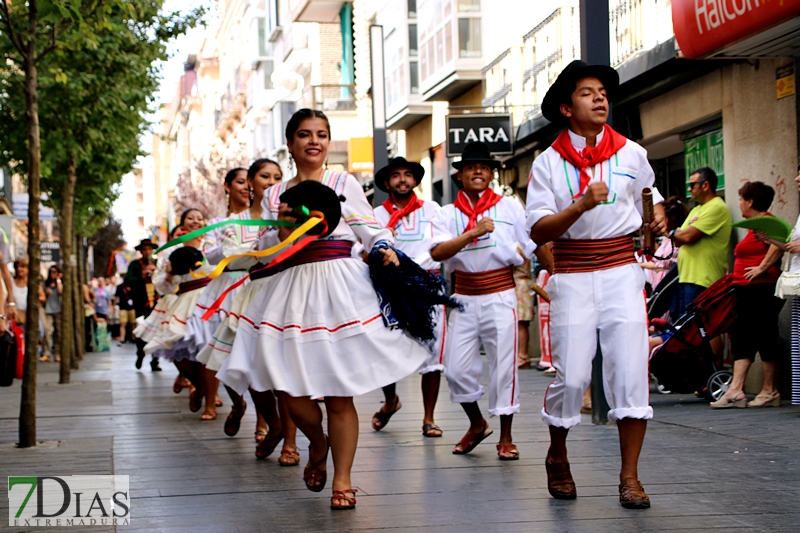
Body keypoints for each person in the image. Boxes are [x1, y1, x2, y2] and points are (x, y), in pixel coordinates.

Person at [216, 108, 429, 510]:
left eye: (321, 134)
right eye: (304, 134)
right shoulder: (276, 195)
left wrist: (383, 249)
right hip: (290, 291)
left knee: (338, 393)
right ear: (290, 143)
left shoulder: (342, 180)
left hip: (340, 288)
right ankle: (317, 442)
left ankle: (343, 480)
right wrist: (276, 228)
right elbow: (265, 250)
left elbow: (370, 228)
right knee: (291, 390)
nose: (314, 141)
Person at [527, 60, 666, 508]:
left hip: (622, 271)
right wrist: (581, 205)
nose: (600, 97)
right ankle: (558, 454)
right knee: (571, 379)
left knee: (630, 373)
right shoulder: (547, 163)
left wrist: (657, 218)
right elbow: (539, 230)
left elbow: (652, 201)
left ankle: (629, 477)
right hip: (571, 274)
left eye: (603, 91)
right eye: (588, 93)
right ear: (567, 108)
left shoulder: (632, 153)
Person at [429, 141, 541, 461]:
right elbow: (437, 253)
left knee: (505, 366)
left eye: (484, 167)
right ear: (460, 176)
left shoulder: (509, 207)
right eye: (470, 167)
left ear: (491, 174)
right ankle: (477, 423)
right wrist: (472, 233)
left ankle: (505, 437)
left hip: (499, 293)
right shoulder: (446, 213)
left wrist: (553, 269)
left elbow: (531, 244)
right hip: (463, 295)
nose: (478, 171)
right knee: (455, 369)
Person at [197, 158, 298, 461]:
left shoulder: (288, 216)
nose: (270, 181)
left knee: (284, 371)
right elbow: (210, 258)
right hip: (239, 299)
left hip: (281, 295)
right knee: (246, 368)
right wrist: (226, 249)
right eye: (264, 176)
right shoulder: (227, 224)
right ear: (249, 182)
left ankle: (289, 443)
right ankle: (270, 422)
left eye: (277, 176)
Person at [371, 157, 446, 438]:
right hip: (390, 288)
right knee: (384, 348)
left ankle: (429, 418)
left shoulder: (432, 209)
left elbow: (442, 243)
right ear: (387, 182)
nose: (402, 180)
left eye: (407, 175)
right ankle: (391, 400)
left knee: (433, 352)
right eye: (396, 175)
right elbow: (363, 248)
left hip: (427, 285)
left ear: (415, 180)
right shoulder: (377, 215)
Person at [711, 182, 784, 408]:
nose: (739, 203)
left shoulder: (767, 222)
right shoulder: (754, 227)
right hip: (746, 289)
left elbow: (780, 244)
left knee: (765, 336)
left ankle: (769, 390)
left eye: (741, 199)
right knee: (743, 336)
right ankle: (736, 389)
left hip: (761, 289)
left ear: (750, 201)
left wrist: (761, 268)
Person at [672, 167, 732, 316]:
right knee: (690, 329)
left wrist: (676, 232)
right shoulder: (696, 209)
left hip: (703, 279)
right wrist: (678, 234)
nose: (689, 189)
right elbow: (678, 241)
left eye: (692, 185)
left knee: (699, 328)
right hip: (687, 276)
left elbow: (686, 237)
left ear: (705, 185)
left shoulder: (716, 207)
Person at [126, 238, 161, 371]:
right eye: (144, 249)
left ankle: (155, 360)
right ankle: (140, 354)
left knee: (157, 332)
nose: (147, 251)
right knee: (141, 331)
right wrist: (141, 276)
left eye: (149, 249)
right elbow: (128, 280)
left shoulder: (158, 263)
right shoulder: (135, 265)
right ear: (140, 251)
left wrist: (156, 272)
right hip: (141, 304)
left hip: (157, 304)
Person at [12, 259, 45, 334]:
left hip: (32, 316)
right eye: (17, 267)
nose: (19, 269)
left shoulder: (33, 283)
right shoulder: (12, 283)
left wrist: (33, 299)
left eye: (22, 267)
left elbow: (43, 298)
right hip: (18, 318)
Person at [40, 265, 63, 362]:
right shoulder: (45, 284)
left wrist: (58, 280)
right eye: (50, 272)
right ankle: (46, 353)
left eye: (54, 272)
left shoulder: (60, 283)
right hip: (48, 310)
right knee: (47, 332)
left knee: (58, 333)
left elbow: (60, 291)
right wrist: (46, 293)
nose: (52, 274)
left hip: (58, 310)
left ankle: (57, 354)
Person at [115, 278, 136, 345]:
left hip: (131, 307)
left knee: (132, 323)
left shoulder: (132, 286)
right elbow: (116, 296)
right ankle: (122, 338)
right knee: (123, 323)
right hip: (123, 307)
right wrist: (114, 305)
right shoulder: (120, 286)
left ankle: (132, 337)